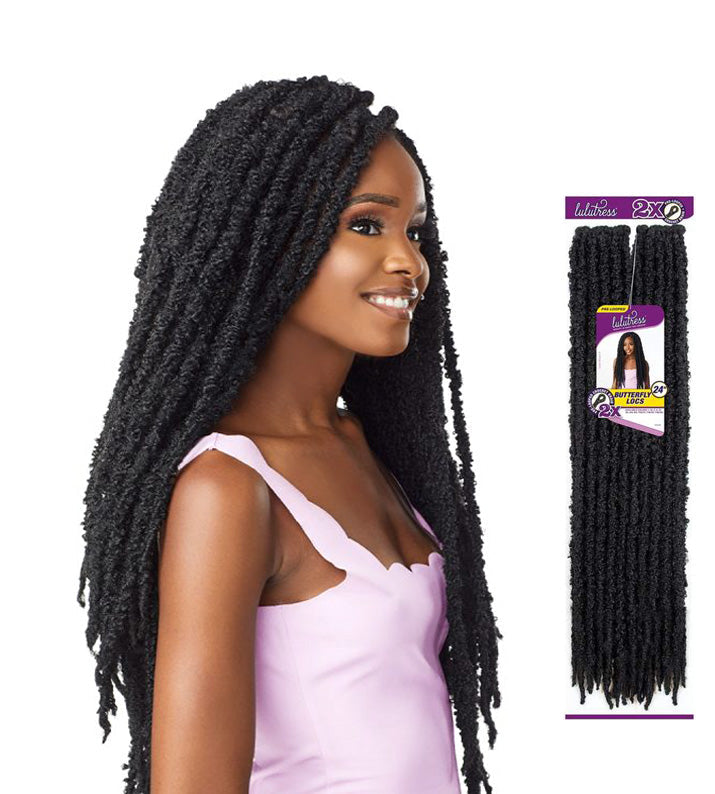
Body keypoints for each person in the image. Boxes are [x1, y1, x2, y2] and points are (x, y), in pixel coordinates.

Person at [77, 76, 501, 794]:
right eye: (366, 225)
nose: (410, 262)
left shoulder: (365, 448)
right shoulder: (226, 488)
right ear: (265, 241)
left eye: (414, 231)